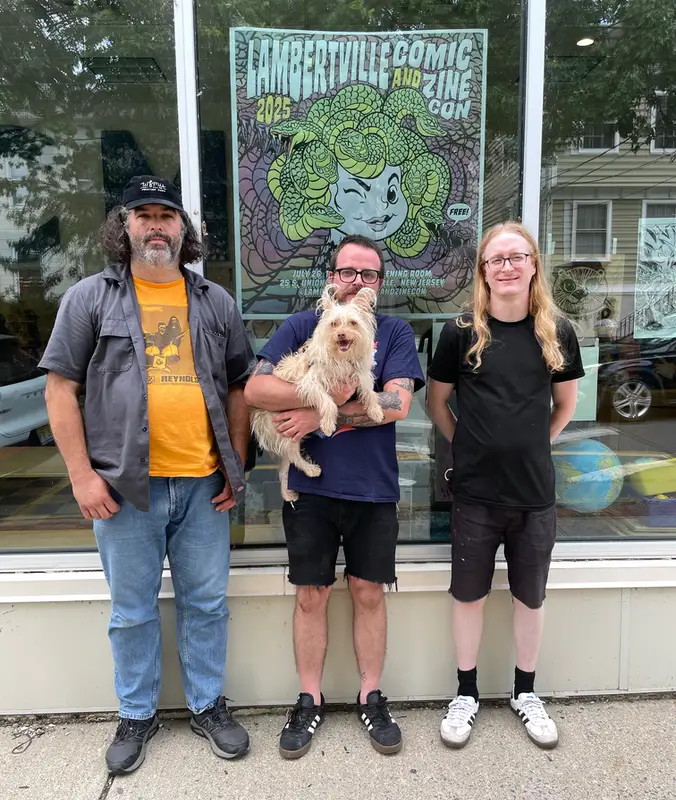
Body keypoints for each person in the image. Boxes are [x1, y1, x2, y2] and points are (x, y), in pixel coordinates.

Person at [39, 175, 255, 774]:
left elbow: (240, 388)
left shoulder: (215, 301)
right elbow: (61, 389)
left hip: (203, 483)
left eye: (167, 215)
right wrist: (82, 476)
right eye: (144, 215)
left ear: (184, 230)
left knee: (207, 604)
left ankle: (208, 705)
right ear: (124, 226)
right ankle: (136, 712)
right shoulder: (90, 298)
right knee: (131, 611)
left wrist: (234, 465)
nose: (156, 225)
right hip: (122, 489)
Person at [244, 233, 425, 759]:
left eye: (368, 275)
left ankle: (371, 696)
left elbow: (394, 404)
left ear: (379, 285)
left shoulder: (393, 332)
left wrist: (318, 414)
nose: (357, 282)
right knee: (310, 595)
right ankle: (309, 698)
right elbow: (256, 390)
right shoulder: (304, 326)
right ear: (331, 277)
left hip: (373, 488)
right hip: (309, 489)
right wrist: (310, 403)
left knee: (369, 593)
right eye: (348, 271)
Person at [426, 222, 584, 750]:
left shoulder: (556, 331)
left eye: (517, 256)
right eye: (496, 259)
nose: (508, 266)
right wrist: (466, 443)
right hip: (474, 494)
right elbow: (436, 403)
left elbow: (566, 406)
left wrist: (535, 442)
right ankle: (466, 693)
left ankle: (525, 692)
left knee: (529, 598)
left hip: (534, 496)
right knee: (468, 597)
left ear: (533, 265)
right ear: (484, 272)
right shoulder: (460, 332)